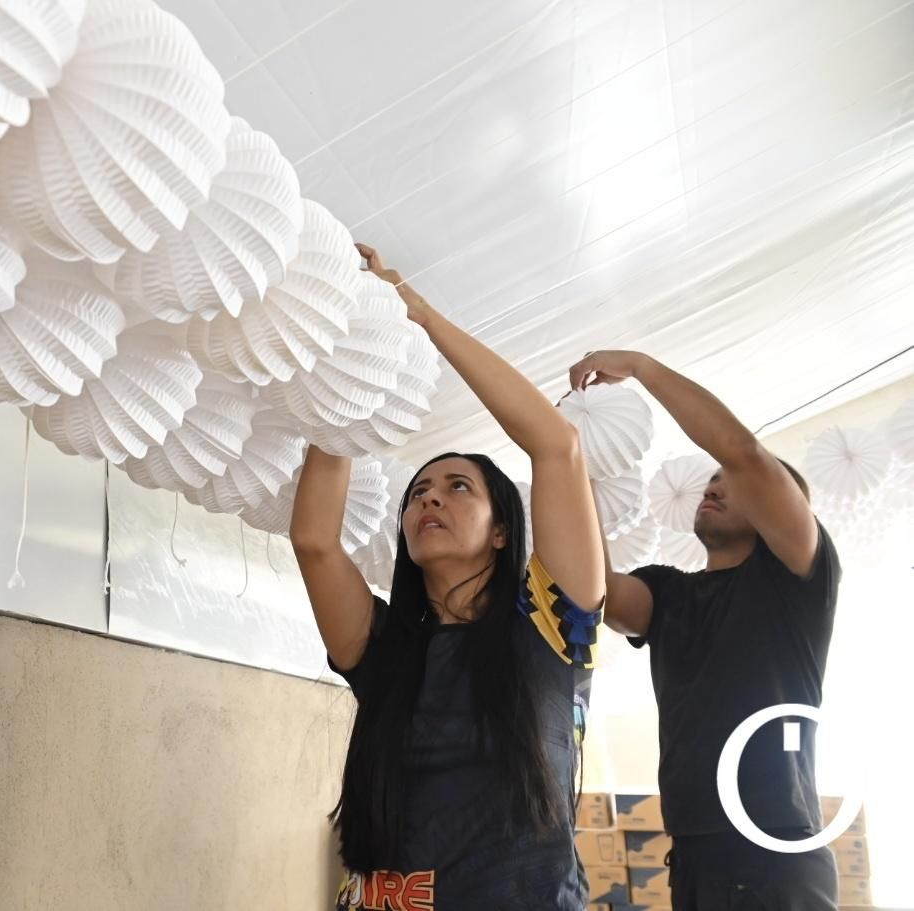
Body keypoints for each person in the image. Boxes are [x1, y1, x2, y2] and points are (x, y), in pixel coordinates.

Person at [292, 245, 607, 910]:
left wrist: (417, 314)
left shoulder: (552, 630)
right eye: (418, 493)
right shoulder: (383, 647)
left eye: (458, 486)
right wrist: (354, 362)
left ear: (501, 529)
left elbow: (559, 446)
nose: (429, 499)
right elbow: (315, 541)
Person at [567, 350, 843, 911]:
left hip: (774, 852)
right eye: (710, 481)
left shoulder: (796, 578)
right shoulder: (669, 593)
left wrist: (642, 367)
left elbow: (743, 453)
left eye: (733, 484)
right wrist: (570, 457)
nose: (715, 487)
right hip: (693, 855)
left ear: (777, 511)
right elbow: (590, 585)